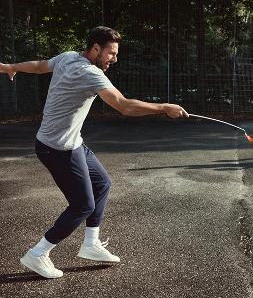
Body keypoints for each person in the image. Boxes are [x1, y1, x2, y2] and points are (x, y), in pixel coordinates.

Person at [0, 26, 189, 279]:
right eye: (111, 53)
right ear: (96, 48)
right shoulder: (90, 73)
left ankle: (91, 244)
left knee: (102, 184)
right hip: (57, 148)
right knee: (82, 205)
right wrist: (164, 107)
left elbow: (41, 65)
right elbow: (123, 106)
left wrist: (12, 66)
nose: (115, 59)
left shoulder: (68, 57)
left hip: (71, 143)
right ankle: (38, 253)